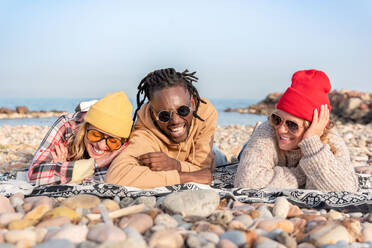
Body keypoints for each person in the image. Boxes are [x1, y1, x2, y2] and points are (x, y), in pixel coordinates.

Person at [234, 69, 358, 192]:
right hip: (253, 148)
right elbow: (246, 182)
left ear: (312, 127)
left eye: (292, 124)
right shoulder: (267, 130)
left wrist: (311, 143)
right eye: (277, 119)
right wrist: (304, 173)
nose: (281, 129)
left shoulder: (331, 140)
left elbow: (346, 189)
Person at [105, 68, 218, 188]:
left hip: (206, 150)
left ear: (193, 103)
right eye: (164, 115)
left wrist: (175, 165)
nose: (175, 121)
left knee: (220, 158)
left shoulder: (204, 112)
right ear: (153, 113)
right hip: (184, 164)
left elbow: (203, 169)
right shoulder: (145, 132)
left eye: (183, 110)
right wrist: (184, 177)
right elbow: (116, 176)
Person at [28, 91, 133, 186]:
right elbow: (34, 175)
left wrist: (63, 169)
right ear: (85, 127)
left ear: (123, 142)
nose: (101, 145)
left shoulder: (129, 141)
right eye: (95, 134)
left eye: (112, 141)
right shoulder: (67, 125)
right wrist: (96, 164)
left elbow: (126, 176)